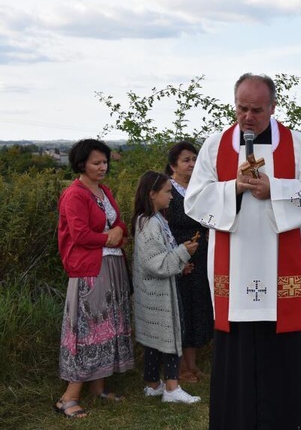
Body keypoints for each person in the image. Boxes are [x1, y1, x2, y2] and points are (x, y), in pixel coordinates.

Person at [184, 73, 301, 429]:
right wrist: (233, 187)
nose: (248, 117)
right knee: (238, 362)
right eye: (241, 108)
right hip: (234, 274)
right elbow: (195, 200)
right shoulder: (215, 146)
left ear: (273, 107)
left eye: (256, 109)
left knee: (288, 365)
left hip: (286, 275)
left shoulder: (298, 145)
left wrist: (275, 190)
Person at [55, 139, 134, 418]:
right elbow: (78, 235)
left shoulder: (104, 191)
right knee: (88, 328)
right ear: (81, 164)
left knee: (109, 325)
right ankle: (68, 397)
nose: (103, 167)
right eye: (96, 163)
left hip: (111, 266)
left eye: (105, 162)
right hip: (89, 269)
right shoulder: (74, 194)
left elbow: (120, 223)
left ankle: (98, 387)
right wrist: (109, 237)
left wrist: (118, 232)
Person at [131, 171, 201, 404]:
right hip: (158, 294)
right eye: (168, 192)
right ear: (152, 195)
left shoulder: (154, 220)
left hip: (156, 291)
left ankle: (153, 384)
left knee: (155, 338)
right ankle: (171, 388)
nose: (172, 197)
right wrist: (183, 252)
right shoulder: (150, 224)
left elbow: (160, 257)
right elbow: (156, 263)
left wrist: (181, 264)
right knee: (171, 333)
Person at [164, 141, 212, 383]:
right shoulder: (167, 191)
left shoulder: (198, 188)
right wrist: (178, 261)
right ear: (173, 165)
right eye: (186, 160)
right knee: (181, 312)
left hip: (201, 258)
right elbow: (165, 229)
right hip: (179, 260)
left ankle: (193, 365)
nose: (192, 164)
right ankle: (180, 368)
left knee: (197, 310)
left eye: (194, 159)